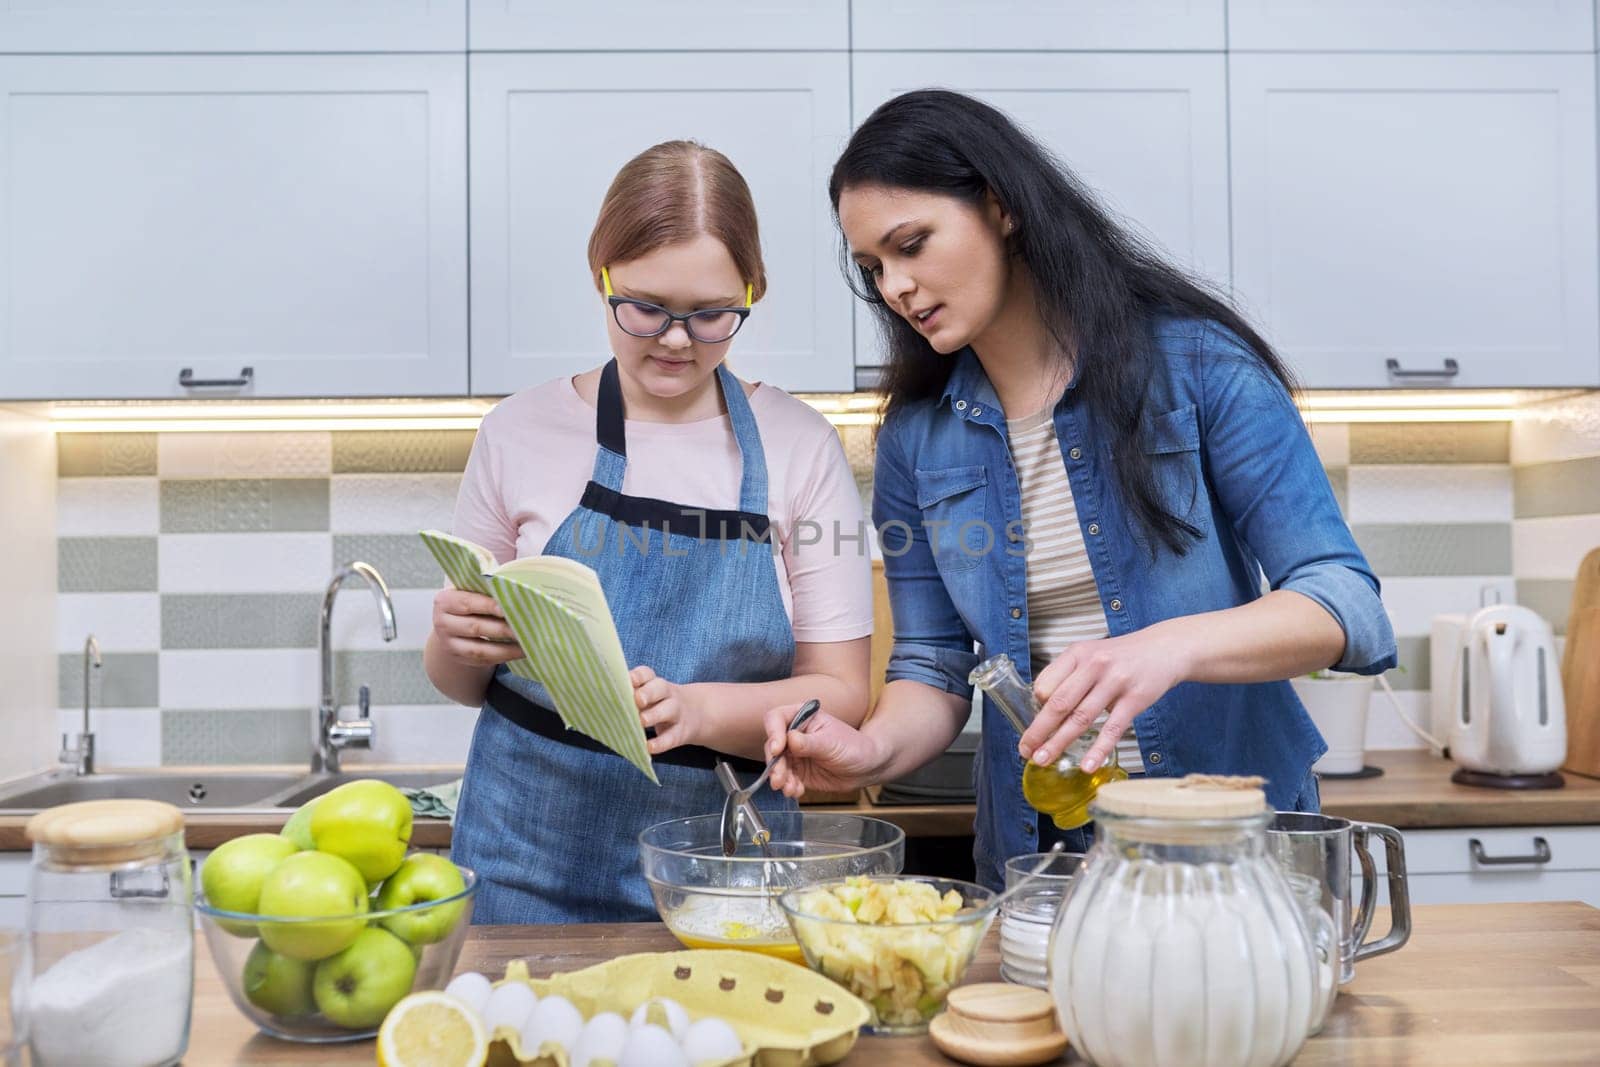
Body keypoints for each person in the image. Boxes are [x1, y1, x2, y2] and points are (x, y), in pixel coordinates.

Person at [762, 90, 1397, 891]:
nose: (895, 286)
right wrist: (872, 751)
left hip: (1236, 838)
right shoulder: (916, 439)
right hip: (1043, 858)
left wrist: (1168, 647)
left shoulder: (1197, 365)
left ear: (1000, 207)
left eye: (913, 245)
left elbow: (1346, 601)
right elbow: (931, 663)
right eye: (873, 268)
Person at [427, 140, 873, 922]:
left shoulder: (801, 445)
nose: (674, 340)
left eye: (711, 315)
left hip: (721, 867)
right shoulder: (517, 430)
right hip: (516, 858)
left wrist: (696, 711)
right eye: (644, 307)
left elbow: (843, 695)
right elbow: (462, 686)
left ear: (751, 291)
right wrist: (452, 639)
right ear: (599, 273)